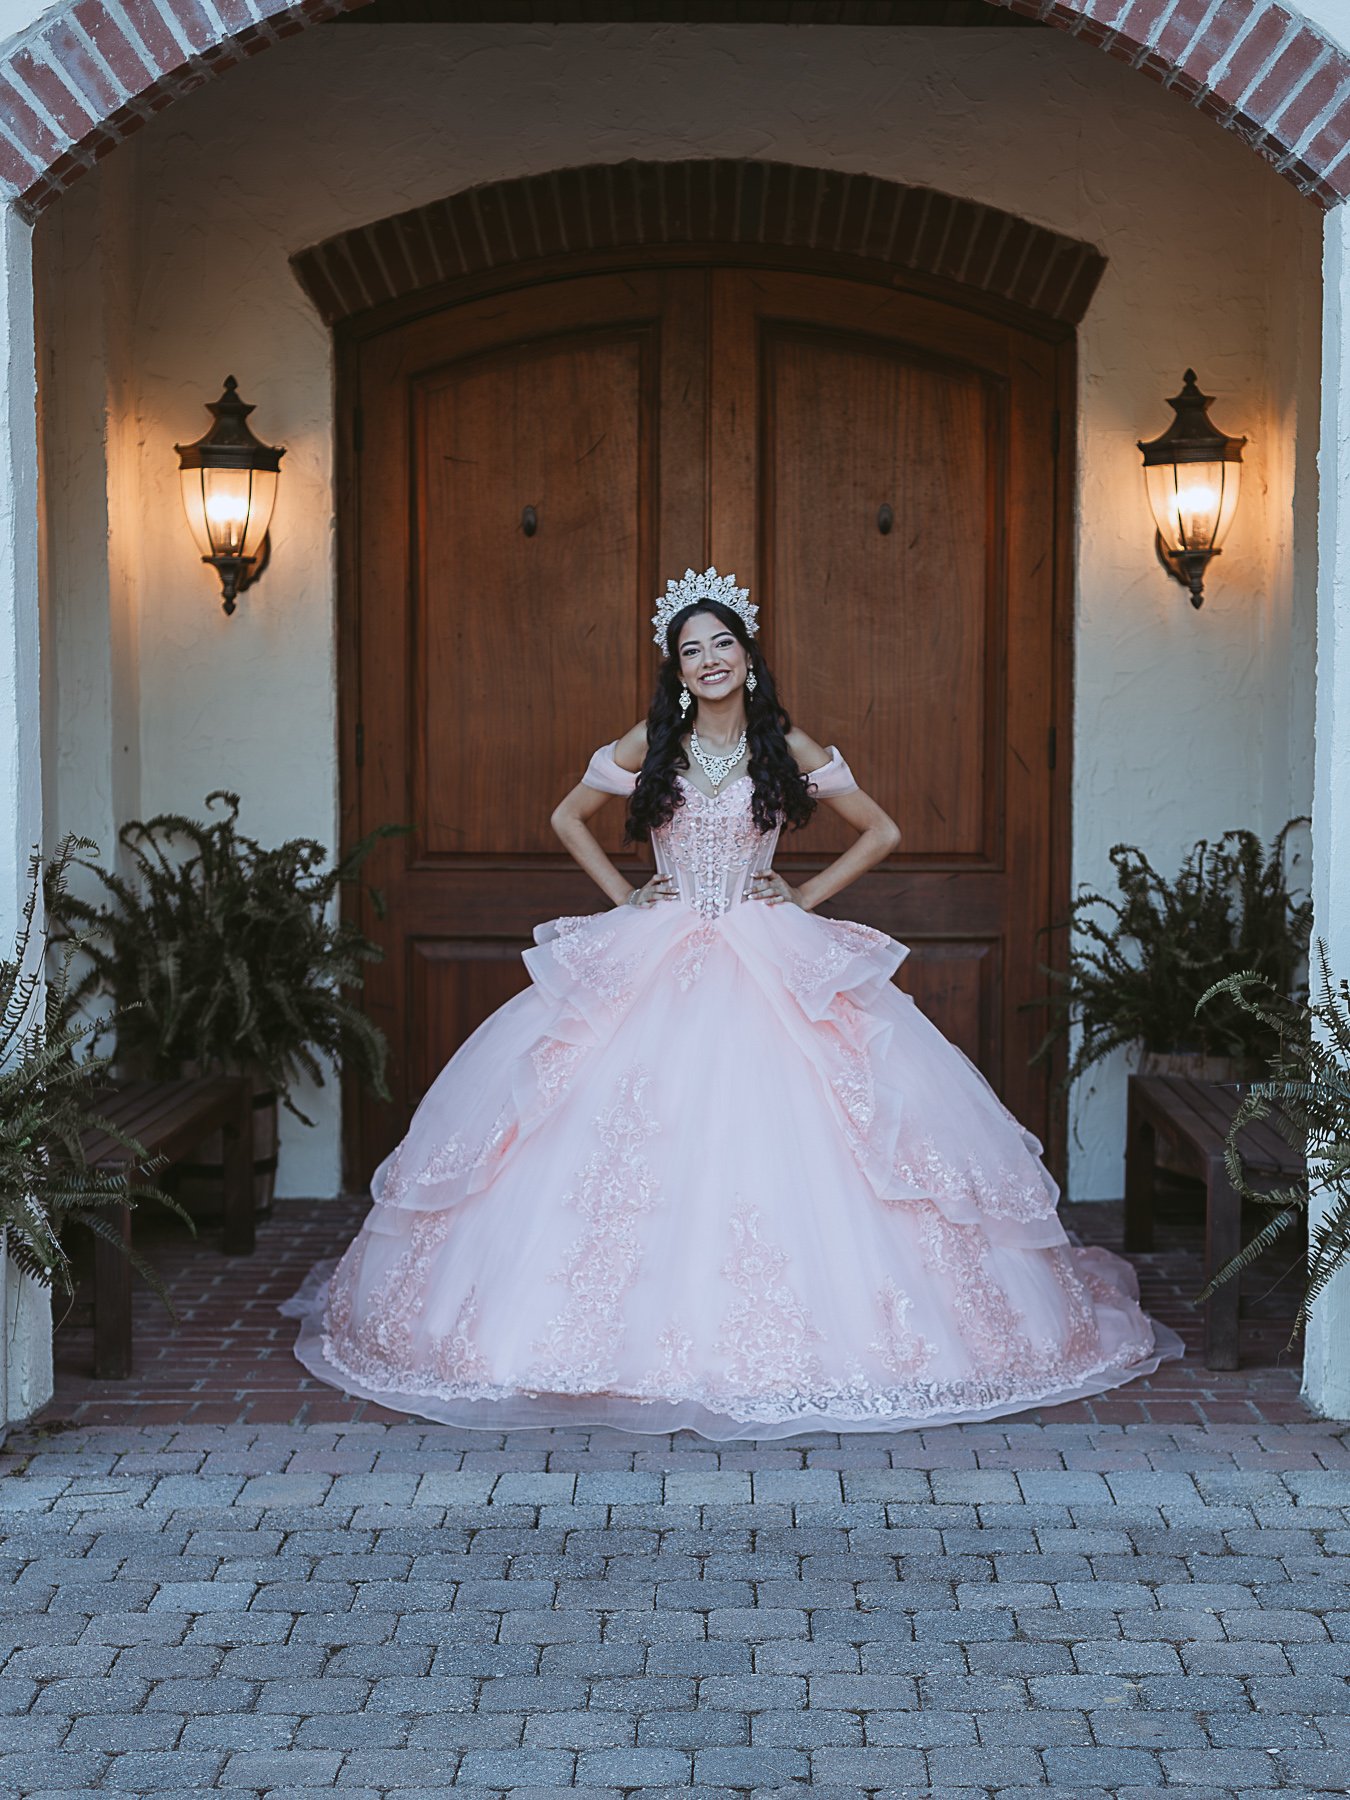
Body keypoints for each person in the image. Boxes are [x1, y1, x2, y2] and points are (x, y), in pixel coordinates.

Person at [283, 567, 1181, 1439]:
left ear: (747, 656)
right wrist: (624, 896)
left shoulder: (783, 745)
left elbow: (883, 830)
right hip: (659, 946)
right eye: (690, 650)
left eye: (722, 644)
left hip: (764, 948)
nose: (709, 659)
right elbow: (567, 818)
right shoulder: (651, 742)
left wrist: (800, 896)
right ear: (675, 670)